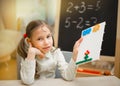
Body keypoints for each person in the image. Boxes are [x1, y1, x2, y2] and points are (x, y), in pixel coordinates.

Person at [17, 20, 83, 85]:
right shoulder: (28, 55)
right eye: (39, 39)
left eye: (48, 36)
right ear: (30, 41)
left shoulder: (56, 53)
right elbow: (27, 81)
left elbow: (68, 77)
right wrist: (31, 54)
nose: (46, 42)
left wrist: (74, 56)